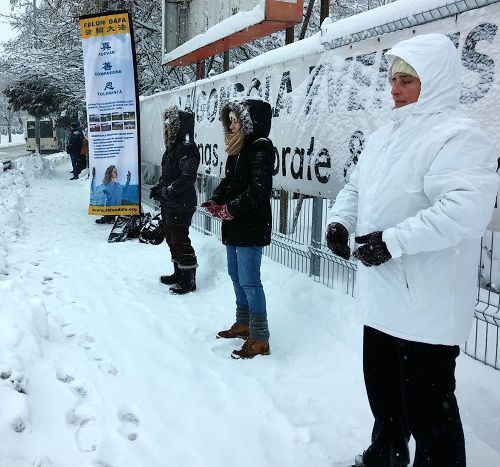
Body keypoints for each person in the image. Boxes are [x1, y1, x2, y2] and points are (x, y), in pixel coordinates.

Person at [325, 33, 499, 467]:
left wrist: (393, 241)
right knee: (384, 396)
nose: (395, 88)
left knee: (429, 412)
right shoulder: (385, 137)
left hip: (427, 305)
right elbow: (355, 187)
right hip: (382, 298)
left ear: (436, 80)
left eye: (406, 79)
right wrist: (340, 221)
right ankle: (385, 454)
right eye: (392, 78)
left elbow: (464, 212)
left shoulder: (460, 136)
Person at [202, 98, 274, 359]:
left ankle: (260, 337)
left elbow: (259, 189)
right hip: (234, 224)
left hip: (251, 224)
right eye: (230, 121)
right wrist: (216, 199)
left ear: (249, 121)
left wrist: (231, 208)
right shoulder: (238, 148)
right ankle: (244, 323)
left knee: (250, 281)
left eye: (236, 120)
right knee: (235, 274)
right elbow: (229, 182)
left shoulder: (260, 148)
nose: (231, 126)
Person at [150, 106, 200, 295]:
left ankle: (189, 279)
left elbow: (188, 176)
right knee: (171, 238)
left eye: (171, 125)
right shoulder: (173, 148)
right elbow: (169, 175)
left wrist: (169, 190)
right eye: (166, 125)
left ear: (180, 127)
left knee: (180, 239)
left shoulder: (186, 147)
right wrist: (159, 189)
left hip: (182, 203)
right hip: (171, 203)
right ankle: (178, 273)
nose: (167, 128)